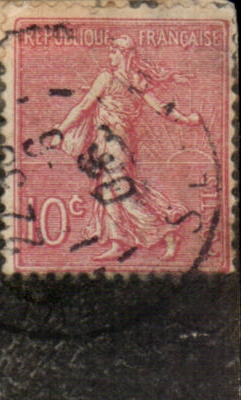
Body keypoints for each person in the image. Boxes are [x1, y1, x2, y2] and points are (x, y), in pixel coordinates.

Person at [49, 33, 203, 263]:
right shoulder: (136, 80)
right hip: (111, 142)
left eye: (113, 52)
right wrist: (186, 119)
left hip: (114, 143)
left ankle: (166, 233)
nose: (109, 55)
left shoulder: (109, 78)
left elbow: (83, 108)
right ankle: (117, 243)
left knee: (122, 192)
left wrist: (61, 130)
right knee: (108, 191)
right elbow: (162, 109)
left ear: (124, 54)